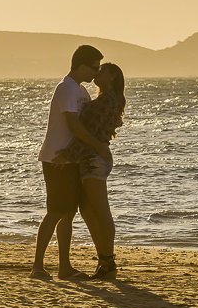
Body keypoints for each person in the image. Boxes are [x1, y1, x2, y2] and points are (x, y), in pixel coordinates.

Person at [30, 45, 110, 280]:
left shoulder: (81, 91)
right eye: (94, 68)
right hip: (57, 158)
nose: (96, 73)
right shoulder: (66, 88)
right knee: (55, 211)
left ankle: (64, 267)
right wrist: (98, 145)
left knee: (68, 214)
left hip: (70, 159)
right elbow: (73, 124)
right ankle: (37, 266)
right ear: (82, 66)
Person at [53, 62, 127, 279]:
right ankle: (104, 260)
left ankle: (108, 263)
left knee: (101, 212)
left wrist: (68, 153)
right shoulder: (104, 99)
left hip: (94, 159)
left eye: (102, 70)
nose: (97, 73)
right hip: (89, 158)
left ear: (112, 76)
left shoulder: (107, 101)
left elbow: (90, 133)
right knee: (87, 210)